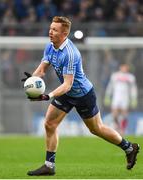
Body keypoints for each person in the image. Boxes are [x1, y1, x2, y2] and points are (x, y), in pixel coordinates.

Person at [21, 16, 140, 176]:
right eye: (50, 28)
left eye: (54, 30)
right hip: (66, 93)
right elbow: (42, 69)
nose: (50, 31)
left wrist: (47, 96)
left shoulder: (70, 54)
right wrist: (33, 80)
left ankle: (129, 147)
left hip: (82, 94)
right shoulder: (50, 46)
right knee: (49, 124)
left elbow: (67, 84)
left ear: (64, 34)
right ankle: (49, 166)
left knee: (96, 129)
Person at [104, 63, 138, 135]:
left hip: (125, 98)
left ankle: (122, 129)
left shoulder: (130, 77)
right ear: (120, 67)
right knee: (114, 114)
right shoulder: (115, 76)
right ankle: (117, 127)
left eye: (126, 67)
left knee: (124, 115)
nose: (124, 69)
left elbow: (133, 89)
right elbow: (110, 86)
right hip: (116, 97)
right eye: (123, 67)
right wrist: (107, 96)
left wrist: (134, 99)